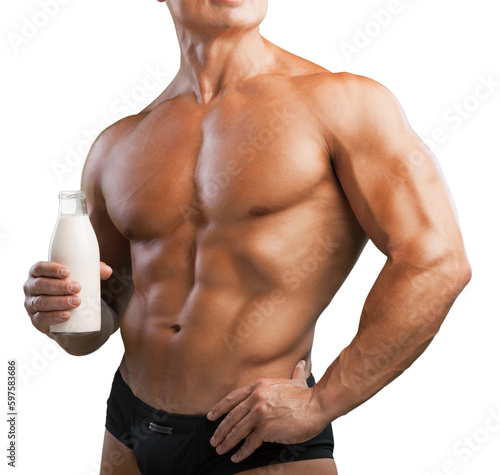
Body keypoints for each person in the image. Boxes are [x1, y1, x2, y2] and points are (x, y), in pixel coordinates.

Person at [23, 1, 471, 473]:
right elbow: (92, 323)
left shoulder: (342, 104)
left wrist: (321, 403)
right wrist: (57, 310)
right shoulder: (117, 145)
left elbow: (436, 261)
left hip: (258, 439)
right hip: (129, 429)